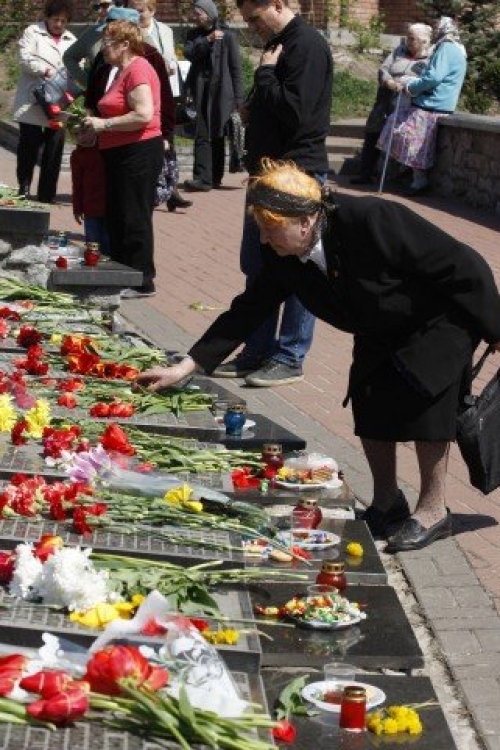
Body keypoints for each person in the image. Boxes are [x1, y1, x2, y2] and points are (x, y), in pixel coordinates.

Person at [135, 158, 500, 553]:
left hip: (436, 319)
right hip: (379, 324)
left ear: (305, 222)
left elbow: (463, 264)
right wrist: (187, 366)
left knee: (426, 404)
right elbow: (250, 308)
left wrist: (495, 327)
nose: (264, 240)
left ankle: (433, 511)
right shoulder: (282, 254)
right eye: (261, 230)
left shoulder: (373, 219)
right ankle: (386, 502)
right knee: (368, 398)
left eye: (271, 229)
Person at [212, 0, 333, 387]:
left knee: (298, 266)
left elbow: (297, 112)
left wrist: (265, 76)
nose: (251, 25)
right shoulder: (280, 43)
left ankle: (289, 355)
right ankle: (257, 349)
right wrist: (253, 108)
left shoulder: (307, 45)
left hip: (295, 173)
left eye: (254, 17)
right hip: (267, 174)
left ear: (277, 4)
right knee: (259, 265)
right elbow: (275, 104)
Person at [82, 19, 163, 298]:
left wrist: (104, 125)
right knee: (117, 216)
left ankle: (142, 281)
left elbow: (143, 114)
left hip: (137, 152)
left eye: (106, 43)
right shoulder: (119, 71)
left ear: (125, 44)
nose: (102, 48)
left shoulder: (138, 69)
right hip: (118, 152)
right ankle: (121, 274)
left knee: (133, 216)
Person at [377, 16, 467, 196]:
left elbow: (434, 77)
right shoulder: (454, 48)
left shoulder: (447, 47)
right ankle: (409, 172)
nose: (436, 30)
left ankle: (418, 179)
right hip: (434, 101)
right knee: (399, 129)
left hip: (434, 102)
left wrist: (410, 86)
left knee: (405, 134)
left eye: (438, 27)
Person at [350, 23, 433, 186]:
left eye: (412, 39)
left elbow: (427, 80)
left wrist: (408, 85)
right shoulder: (399, 51)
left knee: (402, 138)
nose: (408, 41)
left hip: (407, 102)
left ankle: (401, 176)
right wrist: (388, 81)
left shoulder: (429, 58)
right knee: (373, 131)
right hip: (386, 97)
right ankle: (365, 173)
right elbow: (384, 69)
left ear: (423, 41)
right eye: (407, 37)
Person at [130, 0, 192, 211]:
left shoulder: (165, 30)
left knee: (168, 138)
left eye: (140, 11)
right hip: (144, 91)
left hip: (166, 90)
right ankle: (154, 189)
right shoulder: (131, 31)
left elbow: (171, 55)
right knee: (150, 140)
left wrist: (171, 64)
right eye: (134, 10)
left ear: (152, 10)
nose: (137, 14)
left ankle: (171, 189)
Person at [12, 0, 76, 203]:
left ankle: (47, 193)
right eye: (56, 19)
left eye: (63, 21)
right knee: (28, 145)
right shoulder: (33, 32)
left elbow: (77, 65)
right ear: (47, 17)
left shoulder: (71, 39)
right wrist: (44, 70)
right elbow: (24, 58)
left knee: (54, 147)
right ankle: (24, 186)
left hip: (58, 103)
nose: (59, 24)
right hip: (33, 99)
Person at [183, 0, 244, 192]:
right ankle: (202, 178)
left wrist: (239, 99)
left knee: (218, 133)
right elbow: (189, 53)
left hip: (222, 93)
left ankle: (215, 176)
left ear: (209, 14)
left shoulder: (228, 36)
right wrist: (207, 40)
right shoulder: (194, 35)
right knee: (201, 132)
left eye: (198, 13)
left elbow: (235, 68)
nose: (194, 17)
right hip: (200, 91)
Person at [63, 0, 126, 90]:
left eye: (104, 5)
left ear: (118, 4)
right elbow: (69, 57)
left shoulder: (136, 33)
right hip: (101, 94)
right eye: (96, 7)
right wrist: (88, 82)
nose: (100, 11)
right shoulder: (92, 33)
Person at [70, 126, 109, 254]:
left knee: (108, 245)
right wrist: (77, 208)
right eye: (75, 134)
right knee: (92, 246)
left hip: (110, 205)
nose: (80, 137)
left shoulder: (106, 149)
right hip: (90, 207)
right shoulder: (77, 155)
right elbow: (77, 184)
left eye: (83, 132)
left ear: (94, 130)